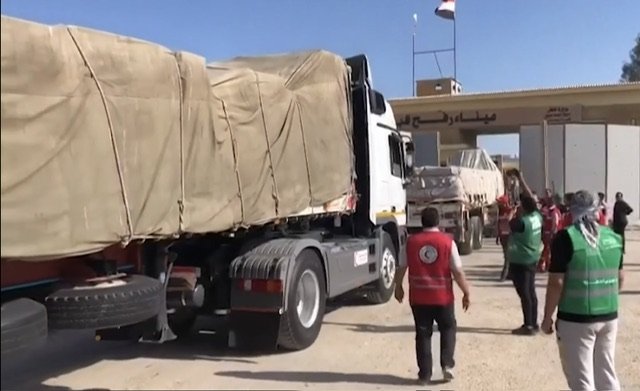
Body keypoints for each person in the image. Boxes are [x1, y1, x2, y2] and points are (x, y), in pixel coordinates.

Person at [541, 190, 624, 391]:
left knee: (582, 380)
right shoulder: (613, 237)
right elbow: (620, 278)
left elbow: (556, 283)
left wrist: (547, 317)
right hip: (609, 316)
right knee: (606, 374)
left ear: (572, 211)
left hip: (576, 319)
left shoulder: (565, 238)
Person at [394, 207, 471, 385]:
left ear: (421, 222)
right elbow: (457, 271)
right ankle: (447, 366)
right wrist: (466, 291)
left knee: (423, 334)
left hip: (419, 298)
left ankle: (425, 375)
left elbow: (401, 267)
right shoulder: (447, 242)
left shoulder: (411, 242)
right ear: (438, 222)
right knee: (448, 328)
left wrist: (398, 287)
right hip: (442, 298)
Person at [506, 169, 543, 335]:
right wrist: (521, 178)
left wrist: (512, 212)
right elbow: (531, 200)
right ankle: (533, 323)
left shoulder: (521, 223)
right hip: (532, 258)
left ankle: (529, 325)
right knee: (531, 292)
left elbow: (508, 224)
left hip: (520, 261)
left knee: (525, 294)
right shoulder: (537, 217)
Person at [538, 189, 562, 272]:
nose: (547, 199)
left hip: (551, 234)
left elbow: (555, 224)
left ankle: (545, 265)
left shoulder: (555, 211)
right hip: (545, 234)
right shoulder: (545, 210)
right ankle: (545, 264)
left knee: (548, 250)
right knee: (546, 250)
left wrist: (552, 233)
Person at [495, 195, 515, 281]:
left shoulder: (509, 210)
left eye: (500, 202)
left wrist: (512, 212)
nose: (498, 204)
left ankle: (505, 275)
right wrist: (497, 236)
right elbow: (498, 224)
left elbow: (509, 219)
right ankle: (507, 275)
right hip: (503, 237)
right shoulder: (501, 211)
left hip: (509, 237)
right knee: (507, 256)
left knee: (508, 257)